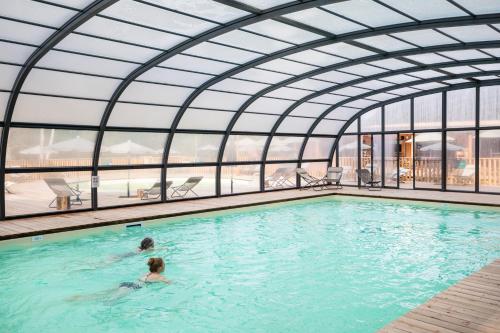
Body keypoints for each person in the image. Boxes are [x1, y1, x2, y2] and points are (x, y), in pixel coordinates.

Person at [68, 257, 171, 302]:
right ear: (160, 268)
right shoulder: (160, 277)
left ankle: (82, 297)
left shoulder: (147, 273)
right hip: (133, 288)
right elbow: (169, 283)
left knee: (103, 294)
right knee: (109, 301)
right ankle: (82, 299)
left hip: (127, 283)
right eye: (164, 265)